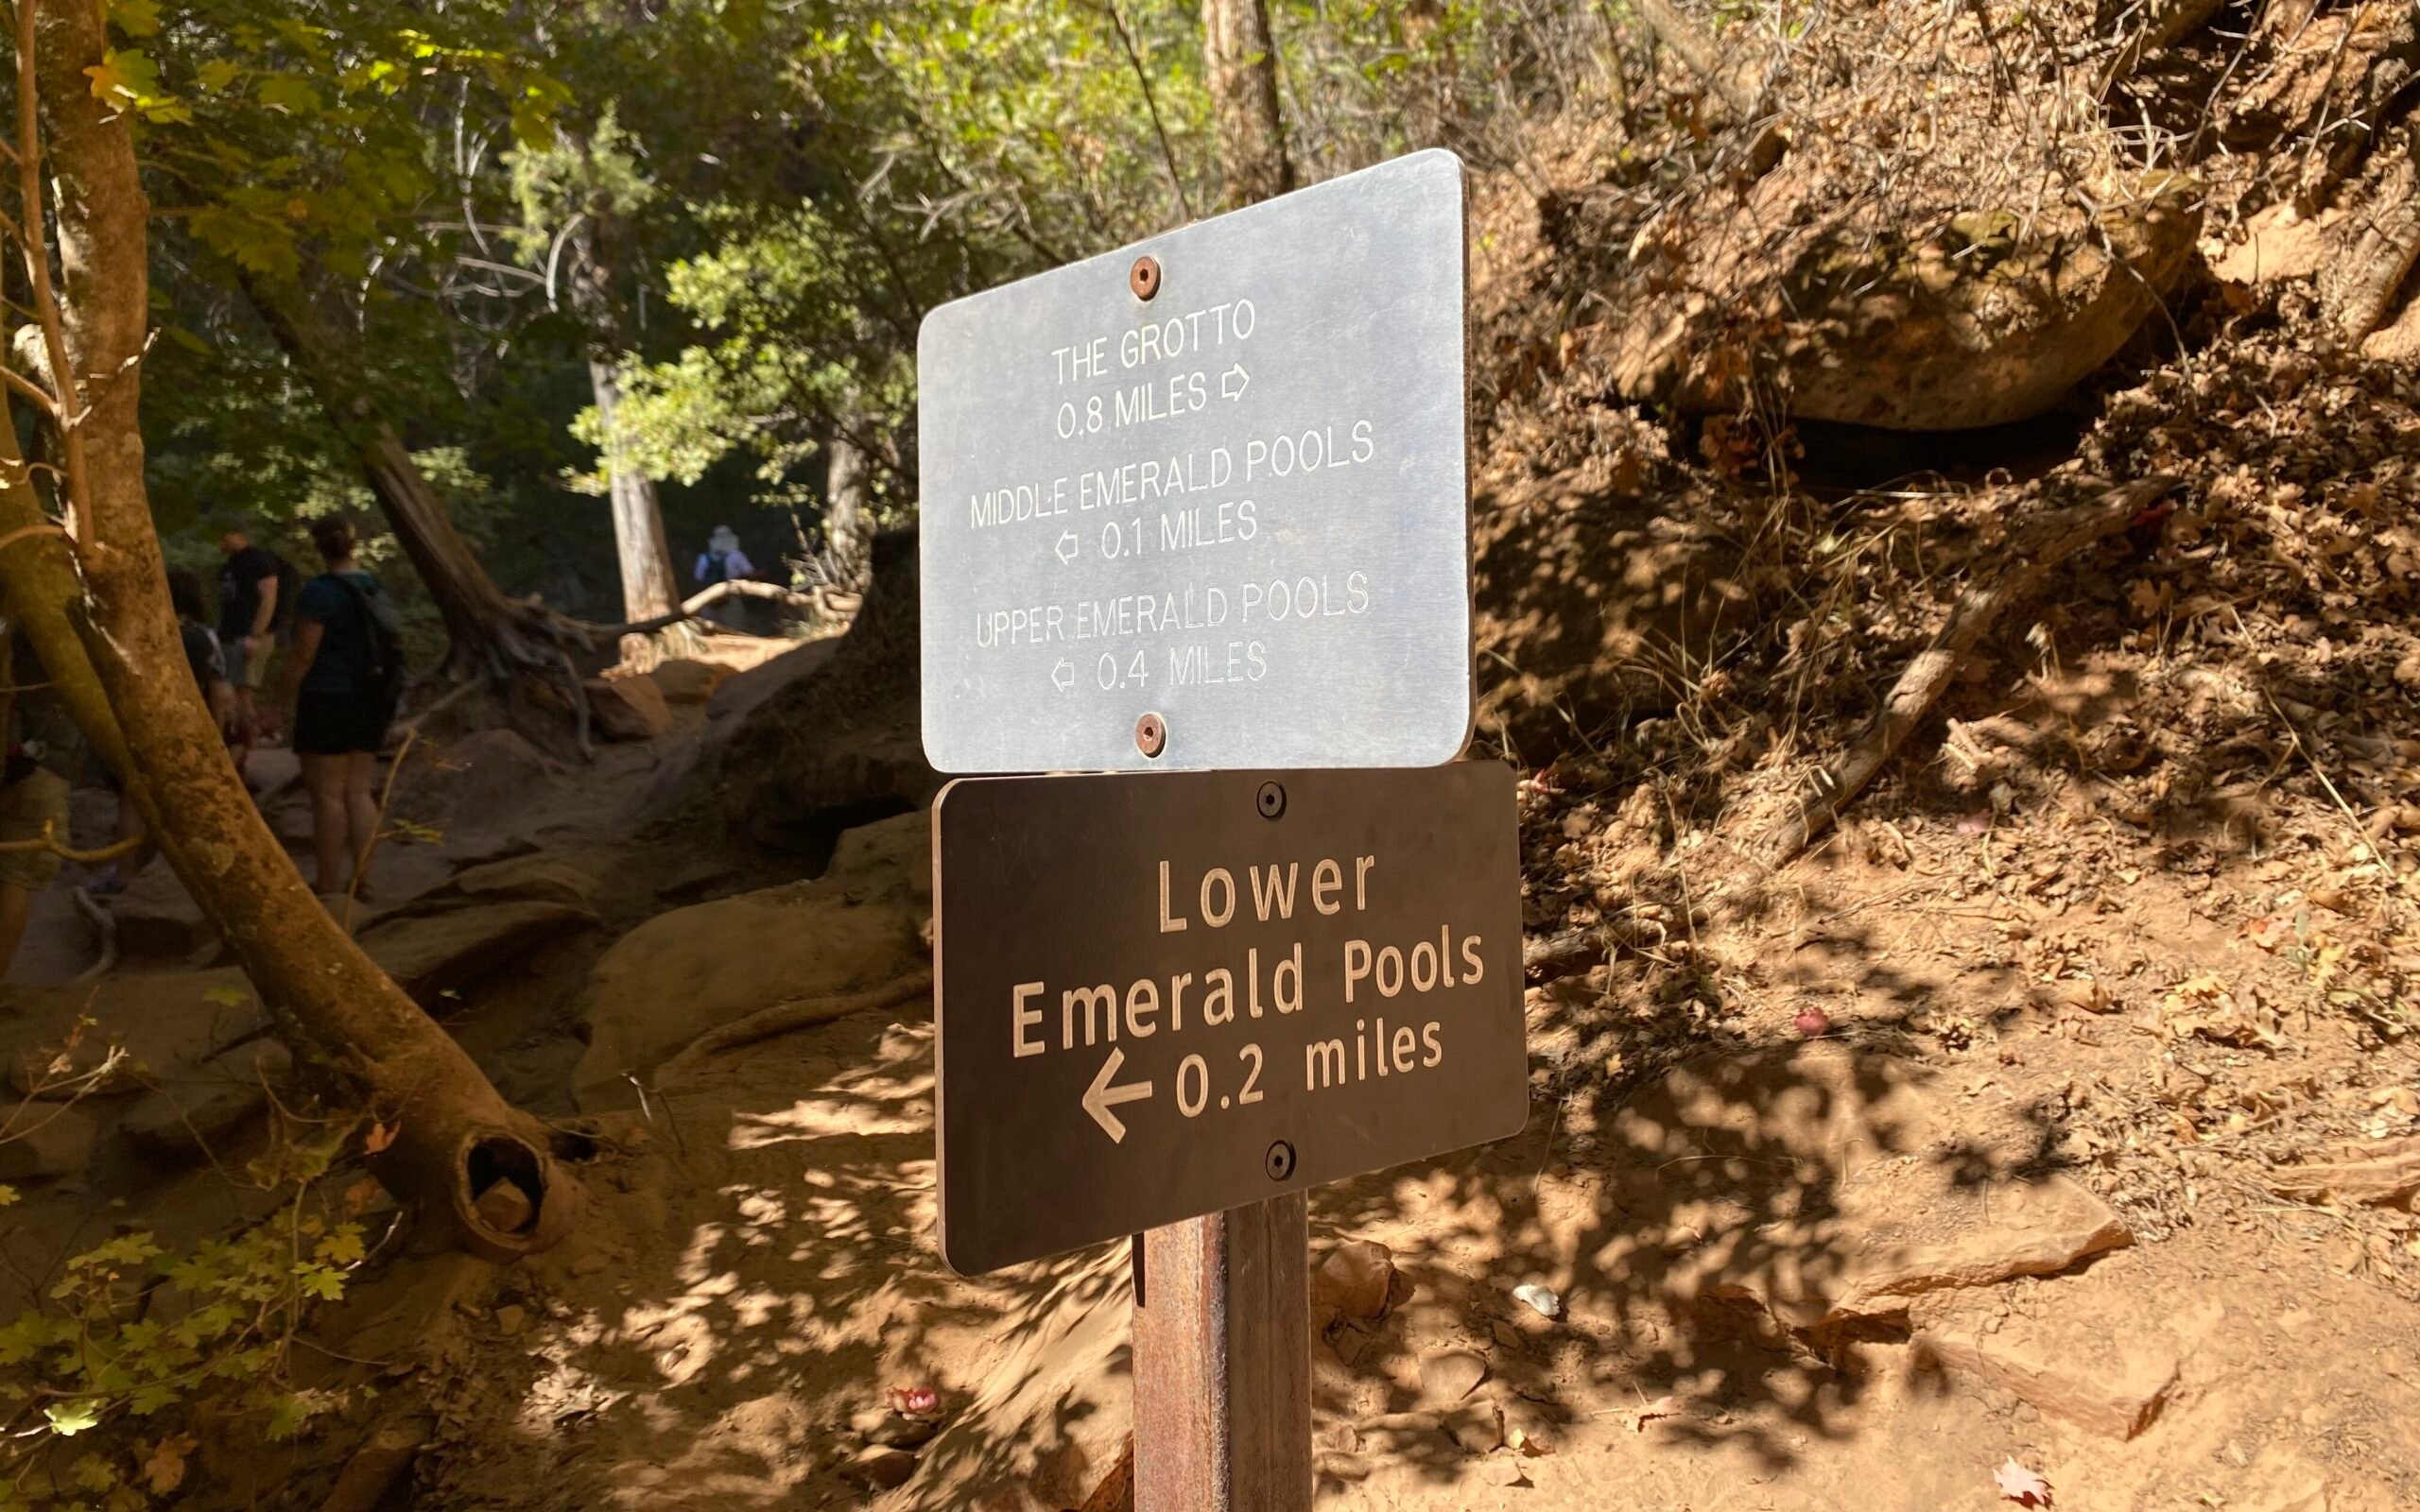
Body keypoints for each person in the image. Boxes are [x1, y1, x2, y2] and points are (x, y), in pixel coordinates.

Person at [269, 518, 393, 900]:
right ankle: (364, 881)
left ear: (318, 548)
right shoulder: (373, 587)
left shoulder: (320, 592)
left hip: (328, 696)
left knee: (326, 793)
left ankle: (328, 884)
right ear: (353, 544)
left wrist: (280, 699)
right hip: (372, 697)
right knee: (358, 790)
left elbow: (305, 652)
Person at [97, 570, 233, 895]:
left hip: (143, 725)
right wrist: (217, 734)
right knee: (189, 805)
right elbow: (218, 689)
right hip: (189, 729)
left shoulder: (140, 631)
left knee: (133, 802)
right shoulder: (204, 636)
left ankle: (124, 875)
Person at [0, 625, 71, 986]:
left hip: (34, 766)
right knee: (16, 878)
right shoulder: (46, 628)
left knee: (16, 876)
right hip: (41, 764)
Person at [218, 525, 290, 777]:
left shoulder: (259, 560)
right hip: (231, 635)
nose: (220, 541)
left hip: (250, 636)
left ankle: (253, 746)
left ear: (239, 534)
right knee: (234, 694)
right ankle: (244, 744)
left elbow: (268, 596)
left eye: (224, 534)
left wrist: (256, 634)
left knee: (244, 692)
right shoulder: (231, 565)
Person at [694, 524, 754, 627]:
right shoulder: (736, 555)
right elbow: (750, 572)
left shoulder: (703, 558)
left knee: (708, 632)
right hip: (731, 599)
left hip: (708, 599)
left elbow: (698, 577)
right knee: (736, 631)